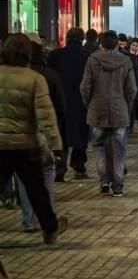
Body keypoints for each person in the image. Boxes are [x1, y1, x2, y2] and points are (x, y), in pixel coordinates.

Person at [0, 34, 68, 244]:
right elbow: (46, 116)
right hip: (25, 145)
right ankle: (49, 229)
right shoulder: (34, 79)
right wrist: (56, 146)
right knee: (37, 191)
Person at [16, 39, 66, 233]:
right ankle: (47, 223)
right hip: (34, 137)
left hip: (7, 138)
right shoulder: (41, 77)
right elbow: (52, 112)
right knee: (42, 175)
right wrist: (55, 142)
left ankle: (29, 221)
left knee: (22, 180)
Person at [80, 31, 137, 197]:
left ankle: (104, 182)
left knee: (99, 148)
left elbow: (85, 87)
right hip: (120, 111)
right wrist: (126, 106)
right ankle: (118, 186)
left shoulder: (92, 60)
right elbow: (132, 89)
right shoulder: (126, 61)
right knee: (118, 150)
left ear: (100, 45)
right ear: (118, 44)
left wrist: (88, 104)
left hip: (97, 110)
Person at [47, 27, 91, 182]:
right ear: (82, 39)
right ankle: (79, 166)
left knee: (61, 135)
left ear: (67, 38)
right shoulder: (88, 56)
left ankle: (60, 168)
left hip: (59, 100)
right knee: (80, 135)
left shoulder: (55, 55)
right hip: (81, 101)